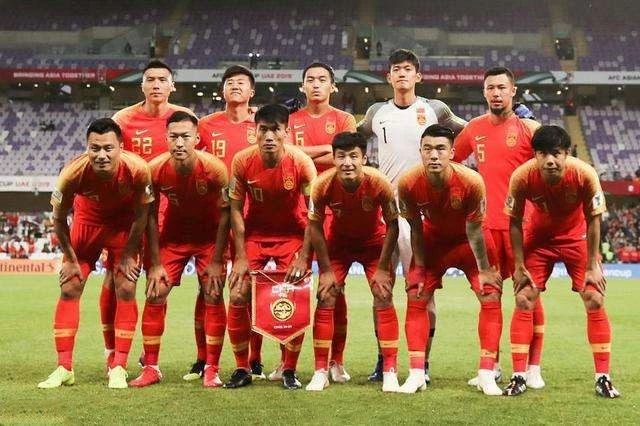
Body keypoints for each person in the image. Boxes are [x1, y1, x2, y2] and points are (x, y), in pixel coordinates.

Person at [358, 48, 467, 383]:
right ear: (388, 76)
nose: (402, 74)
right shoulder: (376, 112)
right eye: (396, 69)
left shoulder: (435, 109)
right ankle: (383, 360)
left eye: (408, 69)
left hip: (421, 213)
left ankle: (424, 363)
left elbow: (470, 131)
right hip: (387, 213)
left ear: (418, 75)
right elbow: (350, 138)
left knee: (422, 290)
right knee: (381, 289)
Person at [503, 125, 620, 398]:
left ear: (567, 153)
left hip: (576, 238)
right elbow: (514, 222)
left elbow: (594, 219)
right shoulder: (522, 176)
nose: (550, 160)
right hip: (539, 240)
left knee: (594, 297)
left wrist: (592, 265)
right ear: (535, 155)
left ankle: (603, 377)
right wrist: (518, 265)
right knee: (524, 298)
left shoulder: (584, 174)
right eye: (542, 154)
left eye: (556, 153)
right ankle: (519, 375)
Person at [38, 118, 153, 389]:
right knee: (70, 286)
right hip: (87, 223)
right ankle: (64, 367)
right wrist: (69, 258)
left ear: (120, 147)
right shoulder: (72, 173)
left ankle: (118, 366)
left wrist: (128, 253)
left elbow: (142, 215)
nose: (102, 155)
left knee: (126, 286)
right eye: (95, 148)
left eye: (108, 148)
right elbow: (58, 219)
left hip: (123, 227)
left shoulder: (138, 169)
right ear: (87, 148)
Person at [453, 66, 544, 388]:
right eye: (490, 88)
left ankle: (533, 368)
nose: (496, 93)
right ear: (484, 92)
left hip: (524, 227)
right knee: (489, 296)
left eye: (502, 87)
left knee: (529, 295)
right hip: (488, 228)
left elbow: (552, 166)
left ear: (513, 91)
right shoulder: (474, 128)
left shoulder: (530, 129)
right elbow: (452, 161)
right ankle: (489, 368)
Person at [396, 124, 503, 395]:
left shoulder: (471, 182)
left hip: (470, 243)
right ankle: (417, 374)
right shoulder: (408, 183)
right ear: (420, 151)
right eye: (428, 149)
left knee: (490, 295)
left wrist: (485, 269)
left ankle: (487, 373)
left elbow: (474, 230)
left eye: (441, 149)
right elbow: (415, 228)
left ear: (452, 153)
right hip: (433, 242)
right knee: (416, 294)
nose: (434, 155)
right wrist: (419, 267)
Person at [110, 60, 198, 380]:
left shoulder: (184, 119)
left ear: (172, 85)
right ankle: (115, 355)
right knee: (120, 283)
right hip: (131, 215)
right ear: (142, 85)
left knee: (158, 286)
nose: (157, 84)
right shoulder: (123, 119)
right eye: (151, 79)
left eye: (163, 79)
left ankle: (150, 356)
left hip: (169, 215)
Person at [129, 111, 230, 388]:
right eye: (174, 136)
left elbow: (226, 215)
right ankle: (151, 368)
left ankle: (212, 368)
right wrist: (154, 262)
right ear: (166, 138)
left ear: (197, 138)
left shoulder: (216, 169)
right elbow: (149, 216)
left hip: (209, 240)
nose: (179, 142)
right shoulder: (155, 169)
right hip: (172, 240)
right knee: (155, 292)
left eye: (186, 136)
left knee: (213, 293)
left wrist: (218, 260)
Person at [224, 104, 316, 390]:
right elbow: (235, 210)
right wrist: (240, 257)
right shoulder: (242, 161)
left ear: (286, 132)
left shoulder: (301, 163)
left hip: (292, 236)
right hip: (254, 236)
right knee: (238, 293)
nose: (269, 136)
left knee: (294, 295)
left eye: (276, 130)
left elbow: (314, 214)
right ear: (255, 131)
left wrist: (304, 256)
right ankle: (243, 367)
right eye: (263, 130)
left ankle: (289, 369)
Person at [300, 132, 399, 392]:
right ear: (333, 159)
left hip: (373, 245)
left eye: (353, 156)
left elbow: (393, 225)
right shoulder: (322, 185)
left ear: (364, 158)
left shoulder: (379, 182)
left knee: (383, 294)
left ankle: (390, 371)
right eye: (341, 156)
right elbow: (315, 227)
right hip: (339, 245)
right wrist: (325, 270)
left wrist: (382, 268)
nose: (347, 162)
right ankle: (320, 371)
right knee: (326, 294)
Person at [278, 62, 357, 384]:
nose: (315, 84)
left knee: (334, 287)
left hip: (335, 211)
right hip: (296, 212)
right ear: (302, 86)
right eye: (310, 79)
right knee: (291, 288)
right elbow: (284, 155)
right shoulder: (291, 120)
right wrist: (326, 148)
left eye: (322, 79)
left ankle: (336, 360)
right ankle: (286, 363)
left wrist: (301, 153)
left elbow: (344, 159)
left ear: (333, 86)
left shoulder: (344, 119)